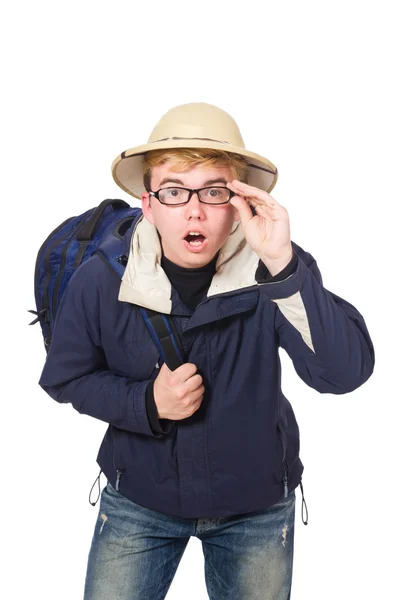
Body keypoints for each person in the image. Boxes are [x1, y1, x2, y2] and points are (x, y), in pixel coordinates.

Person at [38, 102, 375, 600]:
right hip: (139, 499)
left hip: (255, 507)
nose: (194, 210)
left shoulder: (276, 271)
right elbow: (64, 378)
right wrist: (146, 404)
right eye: (174, 191)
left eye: (213, 191)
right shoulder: (102, 277)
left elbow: (344, 373)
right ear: (148, 203)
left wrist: (282, 266)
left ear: (239, 202)